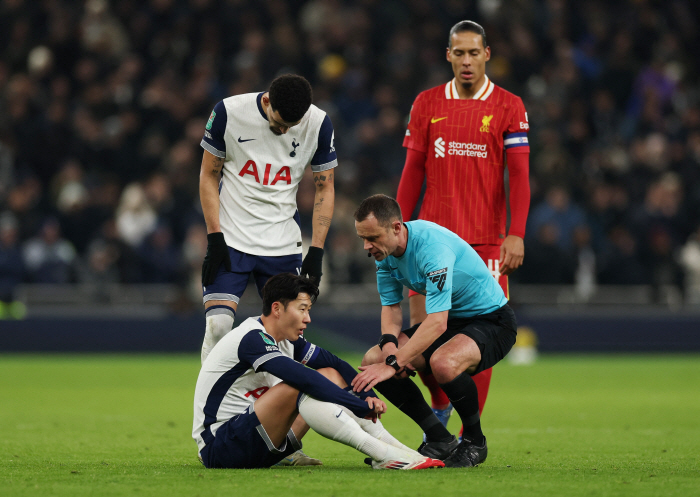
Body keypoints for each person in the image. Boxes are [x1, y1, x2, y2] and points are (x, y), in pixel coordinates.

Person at [396, 20, 530, 433]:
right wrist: (396, 233)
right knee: (422, 339)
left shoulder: (509, 105)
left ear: (487, 54)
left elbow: (520, 175)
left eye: (475, 53)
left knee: (477, 340)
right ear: (448, 56)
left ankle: (469, 432)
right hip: (429, 240)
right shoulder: (427, 103)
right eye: (460, 53)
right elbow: (412, 172)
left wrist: (517, 231)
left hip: (486, 244)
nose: (467, 61)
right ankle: (439, 413)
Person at [192, 273, 444, 470]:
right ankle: (382, 454)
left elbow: (336, 364)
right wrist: (358, 406)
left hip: (260, 441)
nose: (308, 318)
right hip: (220, 448)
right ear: (277, 308)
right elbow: (304, 379)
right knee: (301, 384)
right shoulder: (252, 338)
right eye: (302, 309)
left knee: (327, 372)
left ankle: (396, 450)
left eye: (308, 310)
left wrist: (366, 397)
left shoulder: (286, 339)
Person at [352, 195, 518, 468]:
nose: (367, 246)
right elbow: (391, 308)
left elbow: (437, 322)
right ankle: (440, 439)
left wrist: (395, 363)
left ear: (396, 227)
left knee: (443, 362)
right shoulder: (384, 254)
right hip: (453, 322)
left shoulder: (432, 248)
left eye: (372, 237)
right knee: (374, 360)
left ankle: (475, 442)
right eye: (362, 239)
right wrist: (390, 349)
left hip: (492, 321)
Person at [198, 74, 336, 364]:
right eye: (279, 123)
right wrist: (214, 237)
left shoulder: (319, 123)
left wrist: (317, 251)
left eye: (291, 126)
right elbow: (209, 175)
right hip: (232, 237)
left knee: (288, 339)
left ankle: (276, 406)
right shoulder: (229, 112)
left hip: (282, 243)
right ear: (266, 101)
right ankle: (207, 408)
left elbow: (325, 186)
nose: (284, 131)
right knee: (218, 326)